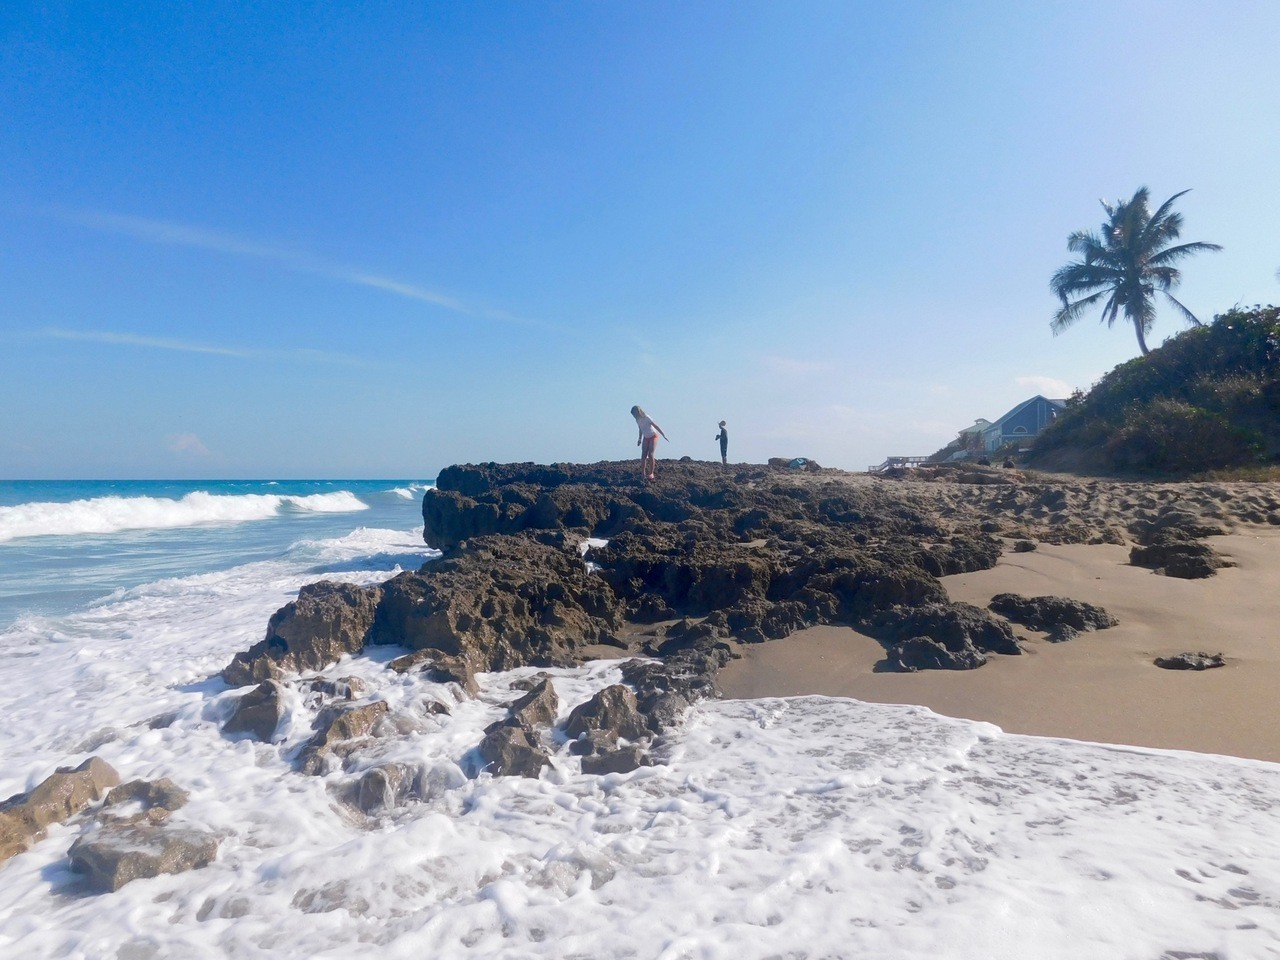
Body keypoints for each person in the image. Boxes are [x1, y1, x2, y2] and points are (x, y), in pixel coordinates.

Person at [630, 405, 668, 481]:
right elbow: (640, 429)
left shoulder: (646, 417)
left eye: (634, 414)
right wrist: (639, 439)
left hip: (653, 436)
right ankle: (643, 473)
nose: (634, 416)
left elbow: (655, 425)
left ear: (638, 412)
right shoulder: (637, 420)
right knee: (643, 455)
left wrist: (663, 434)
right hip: (646, 437)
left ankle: (651, 473)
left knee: (650, 454)